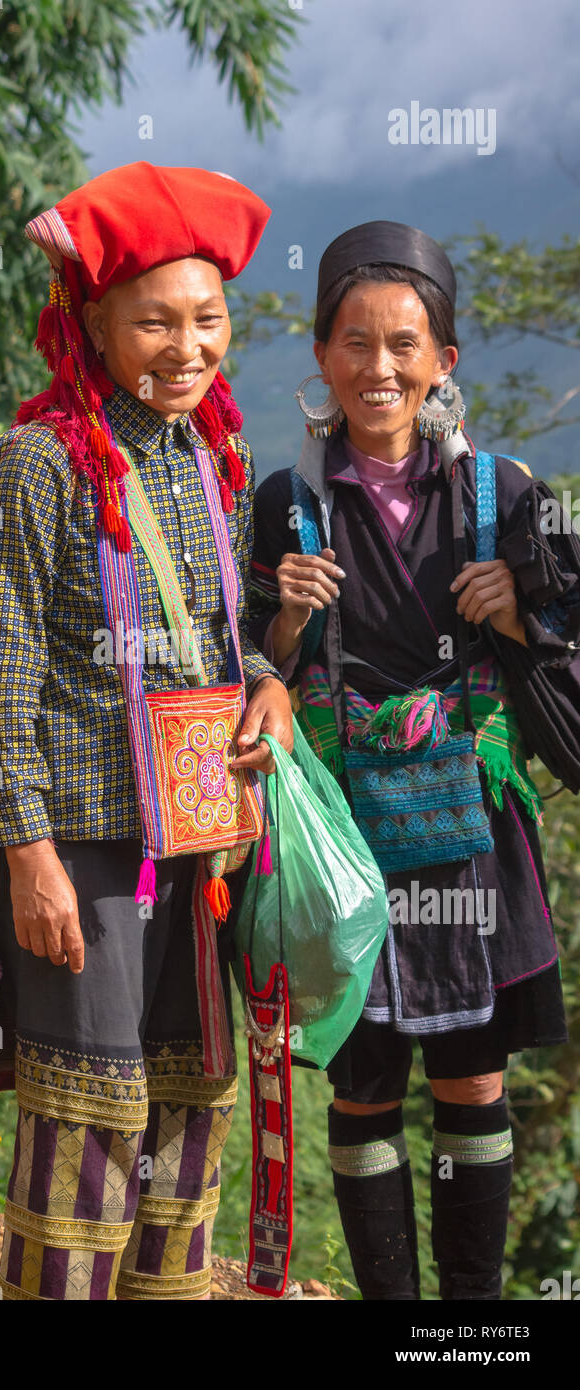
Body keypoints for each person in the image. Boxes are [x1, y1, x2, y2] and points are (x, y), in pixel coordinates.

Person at [0, 162, 294, 1300]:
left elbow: (221, 637)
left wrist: (270, 688)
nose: (186, 347)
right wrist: (29, 855)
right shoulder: (36, 468)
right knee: (88, 1119)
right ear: (90, 320)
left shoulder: (214, 461)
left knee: (188, 1111)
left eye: (207, 319)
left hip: (199, 845)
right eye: (154, 320)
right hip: (85, 854)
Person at [248, 220, 572, 1301]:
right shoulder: (284, 507)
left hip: (469, 825)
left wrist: (516, 618)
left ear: (444, 361)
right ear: (320, 355)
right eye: (351, 342)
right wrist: (283, 634)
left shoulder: (505, 496)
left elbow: (562, 640)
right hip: (347, 833)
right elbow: (243, 662)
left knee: (474, 1076)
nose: (376, 368)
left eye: (402, 345)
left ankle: (469, 1316)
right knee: (363, 1081)